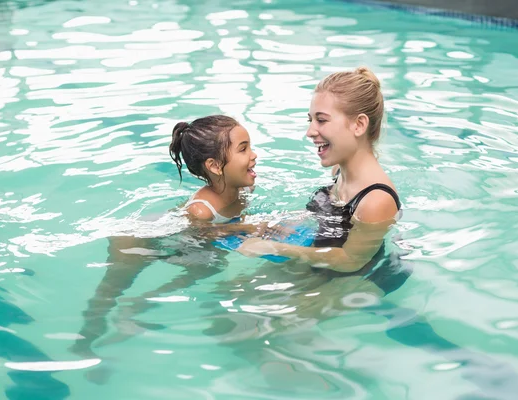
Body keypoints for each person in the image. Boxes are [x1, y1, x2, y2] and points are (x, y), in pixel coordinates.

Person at [70, 115, 283, 367]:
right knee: (109, 293)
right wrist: (248, 227)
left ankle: (137, 306)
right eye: (243, 149)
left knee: (208, 267)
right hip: (137, 240)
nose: (254, 155)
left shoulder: (244, 188)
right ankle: (85, 341)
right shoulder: (202, 209)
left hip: (174, 240)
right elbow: (201, 233)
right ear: (215, 166)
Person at [239, 67, 407, 288]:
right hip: (319, 265)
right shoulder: (339, 171)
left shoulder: (376, 200)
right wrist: (276, 222)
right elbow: (327, 218)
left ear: (359, 125)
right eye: (310, 120)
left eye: (321, 120)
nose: (310, 131)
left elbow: (350, 260)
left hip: (356, 281)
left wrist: (277, 248)